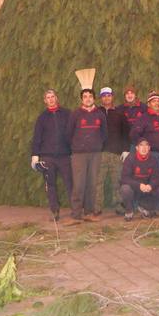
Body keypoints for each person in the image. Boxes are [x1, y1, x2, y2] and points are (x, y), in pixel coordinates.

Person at [65, 88, 107, 224]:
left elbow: (104, 133)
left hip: (95, 154)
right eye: (85, 96)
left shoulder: (100, 114)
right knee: (79, 184)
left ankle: (89, 213)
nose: (88, 99)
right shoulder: (76, 114)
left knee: (92, 184)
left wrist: (97, 145)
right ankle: (76, 215)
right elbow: (69, 133)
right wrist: (76, 147)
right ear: (81, 99)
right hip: (79, 154)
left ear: (94, 99)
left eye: (90, 96)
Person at [30, 88, 73, 221]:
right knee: (51, 185)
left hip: (65, 155)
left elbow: (72, 133)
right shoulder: (42, 118)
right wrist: (35, 156)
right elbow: (37, 137)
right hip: (47, 157)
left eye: (52, 96)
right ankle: (54, 211)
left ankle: (76, 210)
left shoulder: (67, 114)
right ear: (45, 101)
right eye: (48, 97)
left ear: (56, 98)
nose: (51, 99)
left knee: (70, 183)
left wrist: (74, 150)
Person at [96, 86, 129, 213]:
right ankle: (97, 206)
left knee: (117, 181)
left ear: (112, 97)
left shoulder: (120, 114)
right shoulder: (96, 113)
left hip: (116, 153)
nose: (106, 98)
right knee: (98, 181)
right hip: (100, 153)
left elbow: (126, 133)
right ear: (101, 98)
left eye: (109, 95)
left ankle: (118, 205)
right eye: (104, 96)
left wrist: (125, 149)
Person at [119, 137, 159, 220]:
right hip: (134, 189)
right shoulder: (130, 159)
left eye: (146, 145)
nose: (144, 148)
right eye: (141, 145)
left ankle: (144, 207)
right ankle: (129, 211)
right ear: (137, 148)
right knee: (125, 189)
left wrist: (150, 186)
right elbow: (124, 178)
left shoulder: (154, 159)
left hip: (146, 190)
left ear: (149, 148)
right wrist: (139, 185)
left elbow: (157, 178)